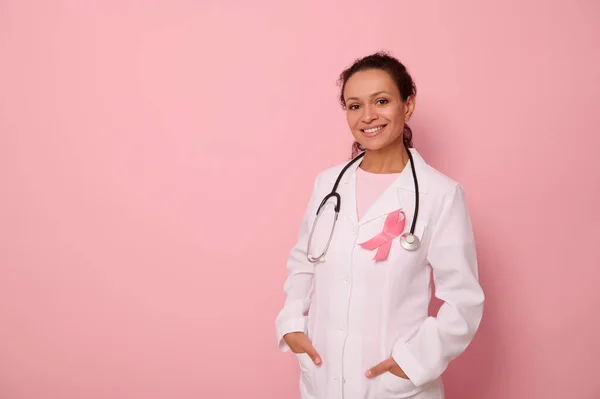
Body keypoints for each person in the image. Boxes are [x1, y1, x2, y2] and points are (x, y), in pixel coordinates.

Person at [274, 51, 485, 399]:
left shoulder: (440, 194)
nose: (368, 116)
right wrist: (292, 324)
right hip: (323, 380)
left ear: (408, 104)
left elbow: (464, 301)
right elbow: (303, 262)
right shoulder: (328, 184)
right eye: (354, 106)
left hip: (394, 387)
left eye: (382, 101)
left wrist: (413, 362)